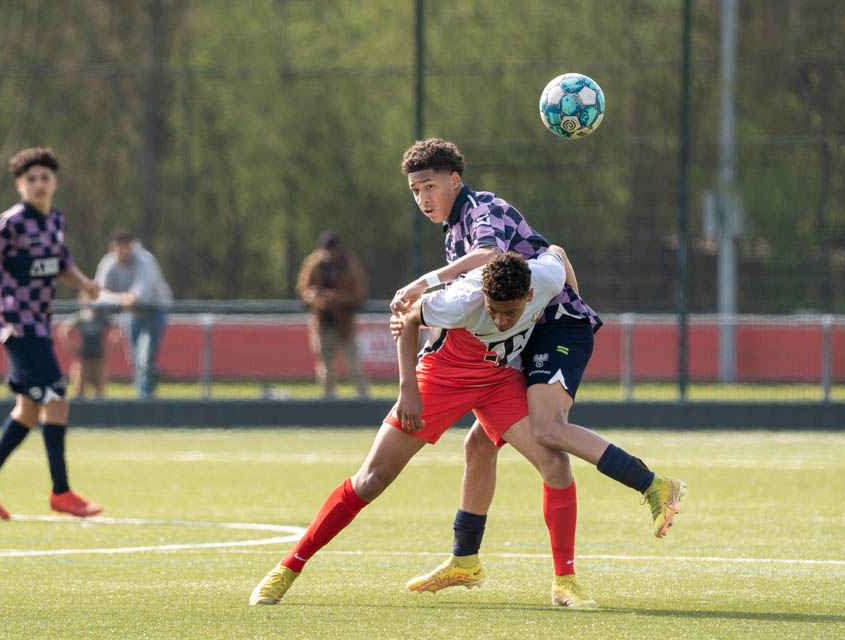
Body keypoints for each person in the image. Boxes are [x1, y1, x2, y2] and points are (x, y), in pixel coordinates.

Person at [390, 138, 686, 593]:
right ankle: (464, 561)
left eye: (429, 186)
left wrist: (570, 310)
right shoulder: (453, 231)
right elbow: (558, 254)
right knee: (478, 446)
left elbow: (490, 255)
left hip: (557, 331)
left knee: (548, 430)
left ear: (455, 180)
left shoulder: (482, 209)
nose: (423, 199)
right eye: (415, 191)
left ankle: (654, 486)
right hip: (527, 333)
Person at [252, 249, 602, 608]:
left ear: (529, 294)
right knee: (372, 479)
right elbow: (407, 321)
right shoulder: (459, 300)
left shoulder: (543, 275)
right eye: (492, 309)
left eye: (508, 312)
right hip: (443, 376)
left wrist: (570, 321)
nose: (499, 320)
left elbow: (556, 253)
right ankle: (287, 568)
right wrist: (409, 390)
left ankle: (565, 581)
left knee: (555, 464)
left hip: (499, 378)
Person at [0, 147, 103, 519]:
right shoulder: (11, 223)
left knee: (26, 411)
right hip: (19, 327)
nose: (39, 184)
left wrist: (84, 282)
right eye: (31, 179)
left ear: (54, 182)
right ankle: (61, 492)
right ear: (19, 185)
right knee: (56, 397)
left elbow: (62, 265)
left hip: (40, 324)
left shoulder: (55, 220)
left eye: (45, 178)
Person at [94, 229, 173, 398]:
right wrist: (121, 298)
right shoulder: (109, 263)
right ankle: (148, 387)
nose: (122, 251)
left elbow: (138, 298)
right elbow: (98, 295)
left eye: (126, 247)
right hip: (131, 314)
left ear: (132, 247)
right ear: (112, 248)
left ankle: (145, 399)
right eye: (118, 247)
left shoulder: (145, 261)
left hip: (154, 311)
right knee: (135, 360)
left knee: (145, 358)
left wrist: (115, 298)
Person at [296, 231, 369, 398]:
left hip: (345, 323)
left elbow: (359, 294)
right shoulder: (314, 264)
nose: (329, 254)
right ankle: (328, 400)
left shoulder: (349, 264)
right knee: (326, 367)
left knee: (354, 366)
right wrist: (316, 298)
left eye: (333, 250)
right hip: (322, 322)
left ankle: (364, 399)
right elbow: (303, 290)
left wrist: (335, 298)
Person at [56, 290, 116, 399]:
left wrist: (112, 343)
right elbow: (64, 330)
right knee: (79, 389)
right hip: (82, 358)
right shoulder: (80, 316)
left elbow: (116, 328)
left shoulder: (102, 316)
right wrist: (69, 346)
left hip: (99, 357)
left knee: (100, 391)